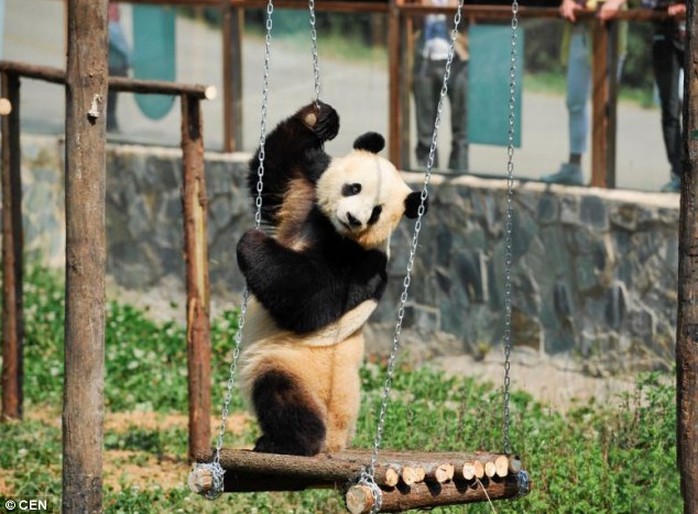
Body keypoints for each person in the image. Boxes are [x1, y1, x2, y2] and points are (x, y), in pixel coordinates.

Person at [542, 0, 626, 186]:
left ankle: (603, 175)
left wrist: (616, 2)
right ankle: (574, 167)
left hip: (610, 30)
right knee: (574, 101)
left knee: (605, 106)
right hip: (579, 30)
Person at [412, 0, 469, 172]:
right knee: (425, 130)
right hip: (425, 58)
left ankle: (458, 180)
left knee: (461, 129)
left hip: (457, 59)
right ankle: (427, 181)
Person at [645, 0, 685, 192]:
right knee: (670, 110)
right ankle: (679, 173)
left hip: (691, 37)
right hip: (664, 37)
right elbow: (647, 3)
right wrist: (663, 6)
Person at [108, 3, 131, 133]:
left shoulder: (113, 28)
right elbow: (126, 53)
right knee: (110, 102)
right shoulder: (112, 28)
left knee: (109, 101)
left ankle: (111, 126)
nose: (117, 11)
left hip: (113, 70)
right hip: (113, 70)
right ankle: (111, 126)